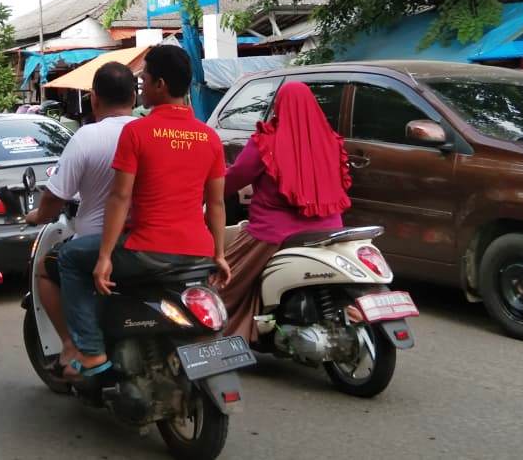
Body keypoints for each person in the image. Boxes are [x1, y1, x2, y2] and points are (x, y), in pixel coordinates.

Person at [56, 45, 232, 377]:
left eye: (146, 79)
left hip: (148, 251)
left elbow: (120, 198)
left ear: (161, 85)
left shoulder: (137, 132)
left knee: (69, 258)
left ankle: (91, 353)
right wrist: (220, 254)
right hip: (199, 253)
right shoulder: (209, 138)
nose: (142, 86)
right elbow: (218, 204)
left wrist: (105, 256)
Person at [218, 81, 352, 342]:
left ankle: (212, 336)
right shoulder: (332, 142)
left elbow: (234, 178)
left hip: (275, 234)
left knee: (224, 282)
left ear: (279, 106)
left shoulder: (266, 142)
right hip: (331, 230)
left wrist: (210, 190)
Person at [23, 62, 137, 364]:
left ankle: (76, 346)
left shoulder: (86, 137)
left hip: (98, 244)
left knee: (47, 269)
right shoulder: (147, 133)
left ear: (94, 98)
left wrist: (37, 216)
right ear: (135, 98)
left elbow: (54, 197)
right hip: (147, 239)